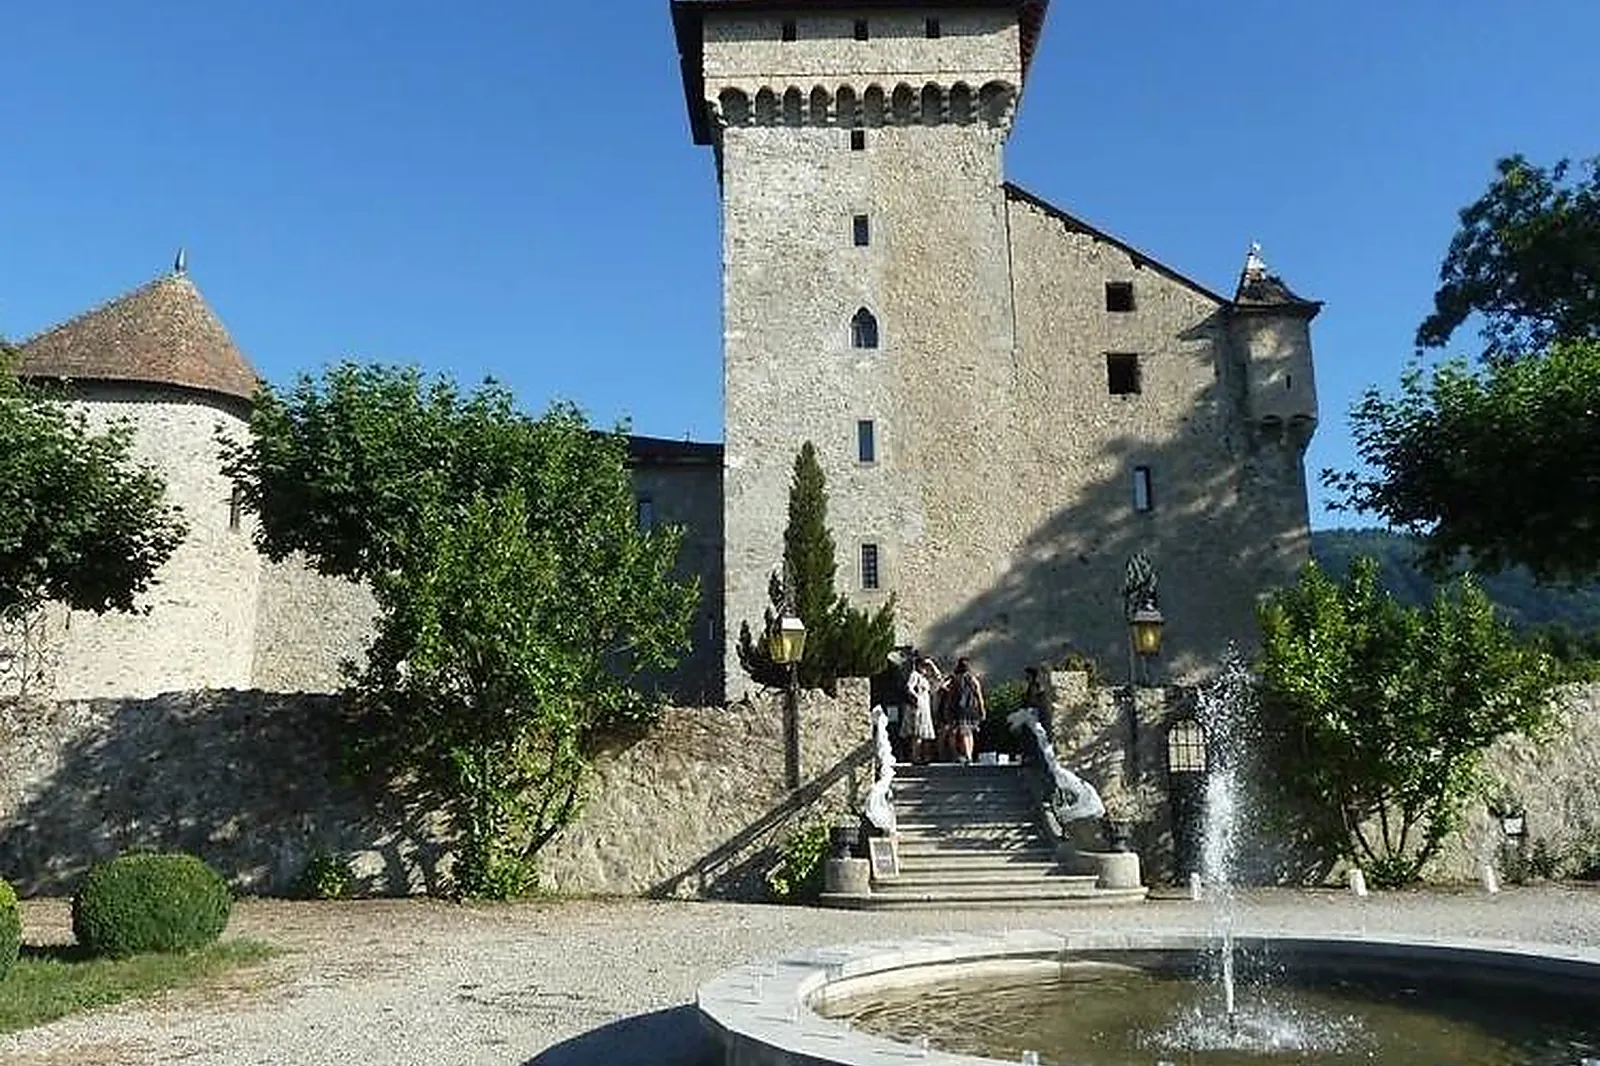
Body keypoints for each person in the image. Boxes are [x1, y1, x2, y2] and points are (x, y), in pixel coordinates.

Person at [948, 657, 986, 765]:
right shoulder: (973, 679)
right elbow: (979, 695)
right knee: (969, 733)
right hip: (972, 709)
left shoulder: (956, 679)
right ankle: (970, 754)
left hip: (960, 709)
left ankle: (967, 755)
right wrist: (982, 709)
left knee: (963, 733)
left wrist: (948, 710)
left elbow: (951, 697)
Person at [906, 658, 937, 764]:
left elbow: (938, 678)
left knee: (924, 734)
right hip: (919, 706)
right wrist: (917, 697)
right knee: (917, 734)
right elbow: (909, 687)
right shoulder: (914, 675)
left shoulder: (924, 678)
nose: (926, 669)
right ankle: (916, 757)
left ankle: (922, 756)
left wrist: (932, 665)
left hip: (925, 707)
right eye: (924, 666)